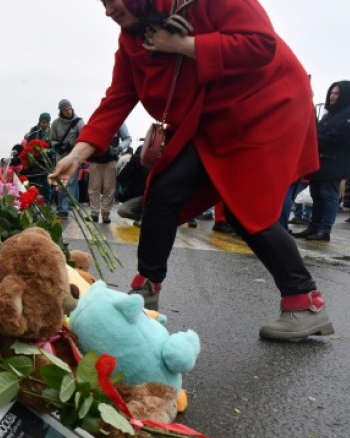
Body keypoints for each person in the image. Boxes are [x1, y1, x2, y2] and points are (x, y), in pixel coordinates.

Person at [49, 0, 332, 341]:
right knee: (164, 189)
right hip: (211, 116)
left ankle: (306, 303)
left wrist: (182, 45)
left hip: (265, 105)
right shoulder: (131, 40)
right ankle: (144, 295)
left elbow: (261, 44)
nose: (107, 11)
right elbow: (118, 98)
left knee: (245, 209)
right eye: (102, 3)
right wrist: (78, 155)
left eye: (111, 0)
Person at [292, 81, 350, 241]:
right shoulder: (328, 114)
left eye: (337, 93)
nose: (332, 96)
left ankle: (324, 230)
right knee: (316, 195)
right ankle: (313, 227)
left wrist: (311, 142)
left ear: (346, 94)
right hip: (319, 161)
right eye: (331, 92)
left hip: (334, 162)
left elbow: (336, 135)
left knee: (328, 195)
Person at [86, 122, 132, 223]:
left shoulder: (120, 122)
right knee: (93, 188)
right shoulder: (97, 121)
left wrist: (119, 148)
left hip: (111, 159)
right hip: (95, 159)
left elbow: (128, 139)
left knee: (109, 189)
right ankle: (94, 213)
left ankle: (105, 213)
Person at [48, 99, 84, 217]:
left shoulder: (79, 122)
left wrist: (72, 145)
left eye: (69, 109)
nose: (68, 111)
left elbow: (83, 139)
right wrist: (57, 145)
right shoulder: (55, 123)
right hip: (61, 157)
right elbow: (51, 139)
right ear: (61, 111)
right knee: (61, 181)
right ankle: (61, 205)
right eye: (65, 110)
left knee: (71, 182)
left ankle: (65, 208)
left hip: (74, 156)